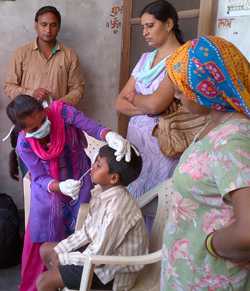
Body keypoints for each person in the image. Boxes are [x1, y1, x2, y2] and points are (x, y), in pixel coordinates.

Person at [6, 95, 132, 291]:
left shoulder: (63, 113)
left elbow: (91, 127)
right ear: (23, 130)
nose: (42, 127)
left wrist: (108, 135)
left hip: (79, 184)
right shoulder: (24, 144)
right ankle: (61, 274)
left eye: (42, 120)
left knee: (78, 226)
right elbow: (38, 178)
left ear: (44, 109)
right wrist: (59, 186)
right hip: (49, 194)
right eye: (34, 128)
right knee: (49, 235)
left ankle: (65, 275)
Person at [158, 35, 250, 290]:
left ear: (207, 88)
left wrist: (210, 244)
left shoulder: (234, 140)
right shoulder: (216, 124)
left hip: (213, 279)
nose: (176, 95)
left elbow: (247, 232)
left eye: (182, 88)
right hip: (189, 276)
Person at [36, 144, 148, 291]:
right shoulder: (101, 193)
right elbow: (88, 231)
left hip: (111, 273)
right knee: (46, 249)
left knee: (44, 282)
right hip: (100, 256)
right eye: (96, 161)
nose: (92, 167)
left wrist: (63, 258)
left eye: (99, 165)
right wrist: (60, 251)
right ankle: (63, 281)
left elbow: (98, 255)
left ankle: (60, 281)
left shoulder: (117, 210)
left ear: (113, 178)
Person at [115, 0, 184, 228]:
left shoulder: (180, 59)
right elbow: (119, 103)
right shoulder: (145, 59)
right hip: (137, 143)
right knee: (134, 198)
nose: (144, 32)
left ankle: (153, 261)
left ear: (169, 24)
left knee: (158, 205)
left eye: (150, 25)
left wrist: (136, 100)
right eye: (143, 26)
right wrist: (147, 105)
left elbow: (155, 105)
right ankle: (136, 258)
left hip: (162, 142)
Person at [4, 5, 85, 106]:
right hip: (28, 117)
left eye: (53, 25)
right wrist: (32, 94)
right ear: (36, 25)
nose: (48, 30)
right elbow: (9, 86)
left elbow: (78, 88)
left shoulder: (70, 55)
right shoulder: (21, 53)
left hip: (59, 116)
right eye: (44, 24)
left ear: (59, 27)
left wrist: (59, 104)